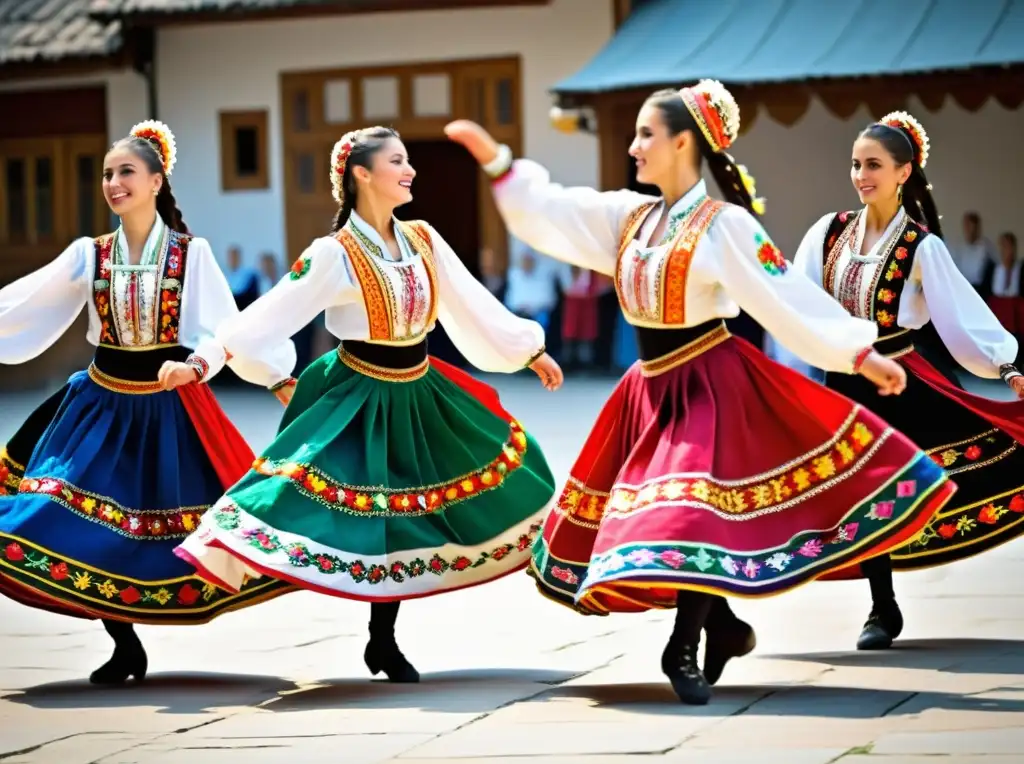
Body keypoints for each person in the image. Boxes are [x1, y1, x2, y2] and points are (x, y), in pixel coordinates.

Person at [445, 80, 956, 706]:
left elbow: (783, 297)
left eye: (645, 135)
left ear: (683, 142)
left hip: (710, 384)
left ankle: (680, 647)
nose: (633, 148)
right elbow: (556, 211)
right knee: (665, 521)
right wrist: (501, 166)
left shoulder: (725, 225)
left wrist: (858, 352)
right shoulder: (629, 219)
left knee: (687, 515)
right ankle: (727, 626)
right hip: (647, 390)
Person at [175, 126, 562, 684]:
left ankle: (382, 640)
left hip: (421, 387)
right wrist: (210, 363)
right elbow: (268, 314)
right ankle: (247, 554)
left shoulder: (423, 239)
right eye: (398, 161)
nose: (410, 171)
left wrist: (529, 350)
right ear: (361, 174)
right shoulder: (334, 254)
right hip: (358, 393)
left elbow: (470, 299)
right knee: (351, 507)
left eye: (408, 161)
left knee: (454, 494)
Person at [0, 120, 298, 685]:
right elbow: (19, 306)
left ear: (157, 180)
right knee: (53, 513)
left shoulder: (191, 254)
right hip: (98, 408)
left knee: (162, 532)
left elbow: (227, 328)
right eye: (108, 174)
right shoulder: (90, 255)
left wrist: (243, 372)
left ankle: (131, 635)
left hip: (168, 409)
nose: (114, 183)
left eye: (126, 172)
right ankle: (123, 642)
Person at [790, 112, 1024, 651]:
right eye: (855, 163)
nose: (861, 174)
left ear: (903, 172)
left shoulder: (921, 247)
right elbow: (794, 303)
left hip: (896, 384)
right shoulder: (826, 234)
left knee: (881, 486)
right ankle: (882, 604)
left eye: (873, 164)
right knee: (845, 489)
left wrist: (1005, 365)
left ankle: (882, 607)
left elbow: (962, 316)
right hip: (838, 381)